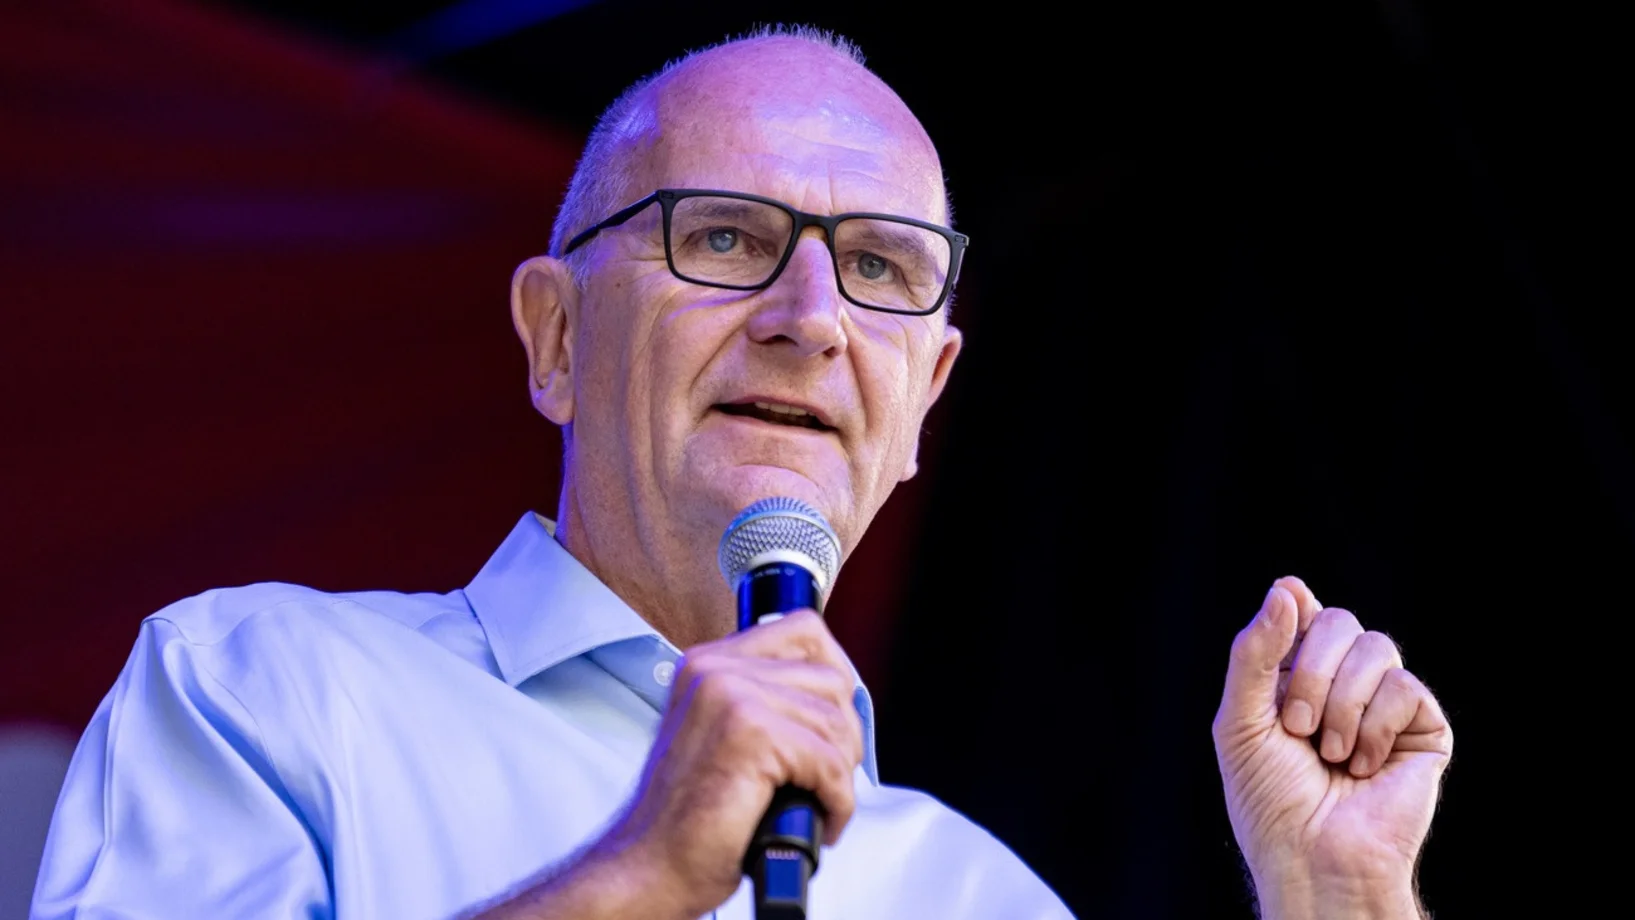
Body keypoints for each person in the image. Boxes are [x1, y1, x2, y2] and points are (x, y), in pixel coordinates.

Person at [30, 26, 1453, 920]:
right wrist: (643, 874)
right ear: (557, 338)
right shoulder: (260, 687)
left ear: (923, 403)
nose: (811, 318)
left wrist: (1341, 901)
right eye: (722, 238)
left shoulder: (978, 895)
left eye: (882, 268)